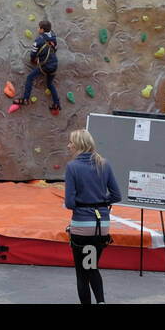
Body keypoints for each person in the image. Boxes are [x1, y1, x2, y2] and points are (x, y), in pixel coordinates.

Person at [64, 128, 121, 305]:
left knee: (82, 274)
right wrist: (101, 201)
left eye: (71, 142)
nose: (68, 145)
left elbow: (70, 203)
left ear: (79, 145)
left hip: (82, 226)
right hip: (101, 226)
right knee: (92, 267)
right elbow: (117, 195)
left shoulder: (72, 167)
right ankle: (101, 302)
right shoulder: (104, 164)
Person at [13, 20, 60, 113]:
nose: (37, 29)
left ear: (42, 30)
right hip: (54, 65)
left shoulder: (38, 41)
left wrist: (33, 60)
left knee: (29, 78)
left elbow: (33, 54)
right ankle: (57, 104)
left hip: (45, 66)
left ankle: (25, 99)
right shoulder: (54, 36)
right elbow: (55, 49)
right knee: (50, 84)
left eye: (39, 27)